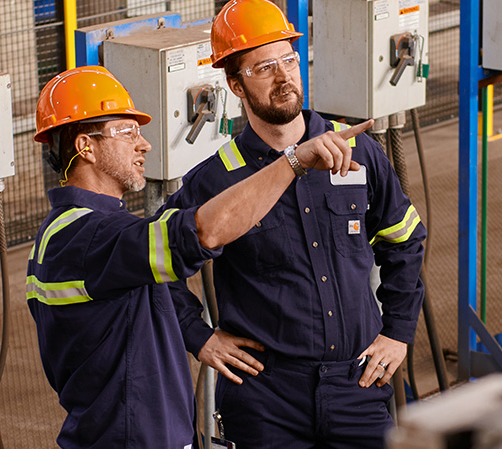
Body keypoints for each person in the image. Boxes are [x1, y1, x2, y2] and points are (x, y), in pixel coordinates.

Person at [26, 65, 368, 448]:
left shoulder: (75, 232)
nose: (144, 145)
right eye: (126, 131)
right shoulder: (86, 236)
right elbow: (203, 231)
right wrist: (293, 162)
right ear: (85, 146)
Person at [164, 0, 427, 447]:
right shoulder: (216, 180)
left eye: (289, 59)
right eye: (265, 67)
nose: (284, 77)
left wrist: (398, 333)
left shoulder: (358, 153)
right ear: (235, 85)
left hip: (358, 383)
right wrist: (199, 337)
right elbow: (157, 263)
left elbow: (404, 239)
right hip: (266, 399)